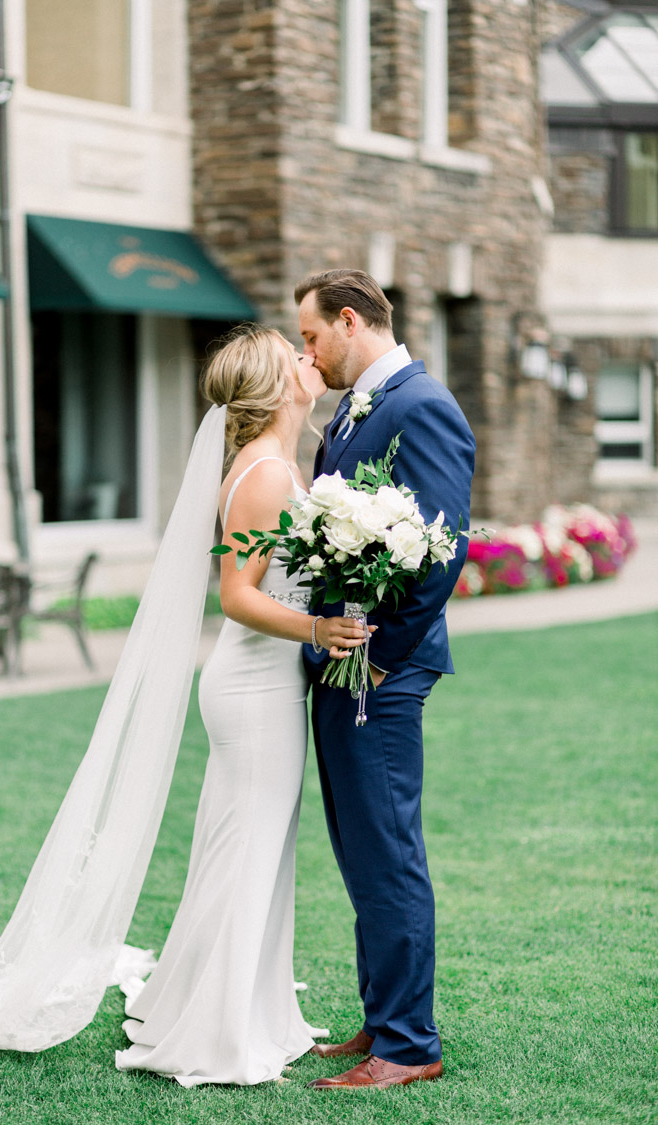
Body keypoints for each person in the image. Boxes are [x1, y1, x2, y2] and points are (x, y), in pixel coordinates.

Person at [0, 325, 366, 1086]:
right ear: (276, 385)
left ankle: (241, 1003)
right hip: (254, 687)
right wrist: (318, 627)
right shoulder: (264, 474)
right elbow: (235, 597)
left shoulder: (278, 463)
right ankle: (219, 1030)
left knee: (254, 847)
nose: (310, 358)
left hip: (268, 685)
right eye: (292, 353)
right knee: (248, 849)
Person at [296, 269, 476, 1091]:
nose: (309, 351)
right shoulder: (357, 405)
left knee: (389, 851)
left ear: (348, 320)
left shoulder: (421, 403)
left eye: (310, 335)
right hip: (343, 662)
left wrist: (376, 654)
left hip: (381, 670)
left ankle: (408, 1044)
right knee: (361, 852)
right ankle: (382, 1015)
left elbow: (439, 550)